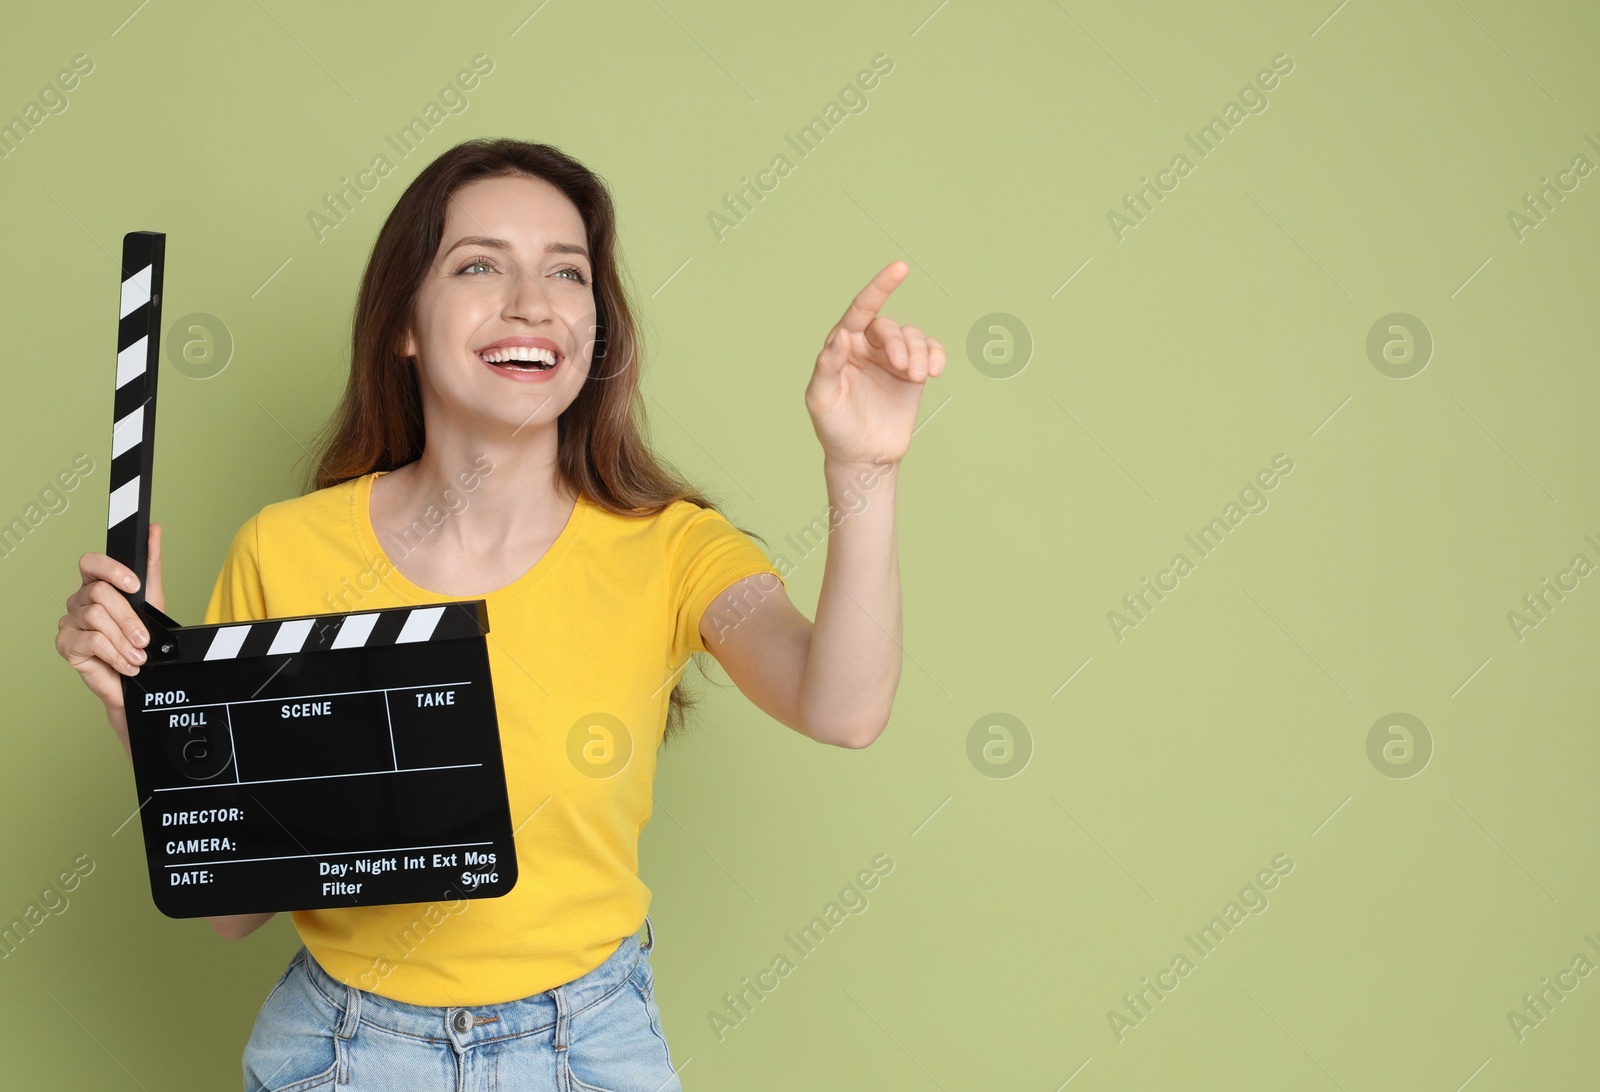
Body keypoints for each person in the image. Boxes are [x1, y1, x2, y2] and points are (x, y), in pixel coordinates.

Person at [55, 138, 944, 1091]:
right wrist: (140, 702)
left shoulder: (674, 548)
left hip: (591, 1046)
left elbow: (843, 708)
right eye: (479, 265)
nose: (533, 302)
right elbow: (235, 907)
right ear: (402, 322)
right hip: (343, 1051)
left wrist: (864, 473)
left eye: (567, 273)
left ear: (596, 329)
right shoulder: (285, 550)